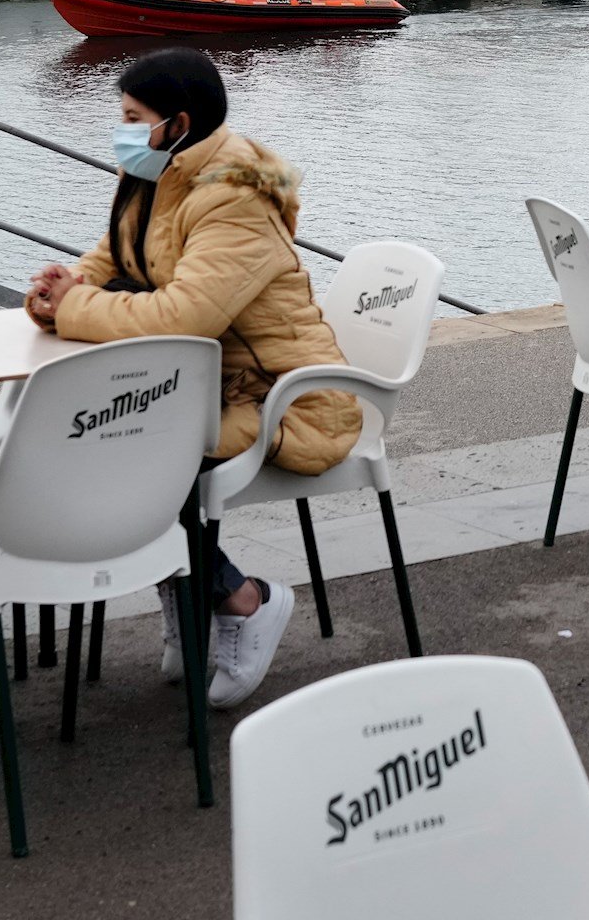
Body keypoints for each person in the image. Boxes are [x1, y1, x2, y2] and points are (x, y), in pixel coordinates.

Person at [23, 49, 359, 708]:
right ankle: (197, 601)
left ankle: (241, 602)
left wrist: (76, 310)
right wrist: (59, 290)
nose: (119, 130)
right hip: (209, 390)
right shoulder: (156, 177)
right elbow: (109, 257)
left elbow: (188, 316)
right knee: (106, 441)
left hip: (290, 399)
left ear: (177, 124)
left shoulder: (233, 199)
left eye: (130, 117)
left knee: (134, 451)